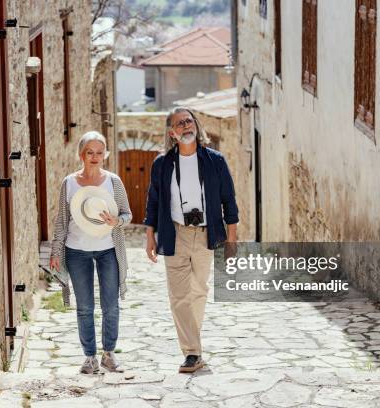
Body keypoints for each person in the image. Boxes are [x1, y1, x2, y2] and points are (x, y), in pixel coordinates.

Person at [144, 107, 239, 373]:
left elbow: (228, 201)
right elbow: (153, 201)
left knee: (198, 291)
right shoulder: (162, 164)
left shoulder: (214, 161)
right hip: (175, 233)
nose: (186, 126)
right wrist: (150, 236)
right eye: (180, 123)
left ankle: (193, 344)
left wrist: (231, 240)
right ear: (172, 133)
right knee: (178, 295)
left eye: (189, 121)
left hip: (206, 233)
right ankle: (192, 352)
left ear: (195, 126)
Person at [49, 131, 132, 374]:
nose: (95, 157)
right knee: (84, 307)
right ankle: (89, 357)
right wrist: (56, 251)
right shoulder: (69, 183)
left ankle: (108, 353)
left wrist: (116, 221)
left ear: (105, 154)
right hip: (76, 251)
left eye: (99, 152)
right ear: (81, 155)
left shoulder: (114, 182)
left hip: (108, 251)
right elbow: (61, 222)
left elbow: (127, 215)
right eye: (89, 152)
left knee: (110, 305)